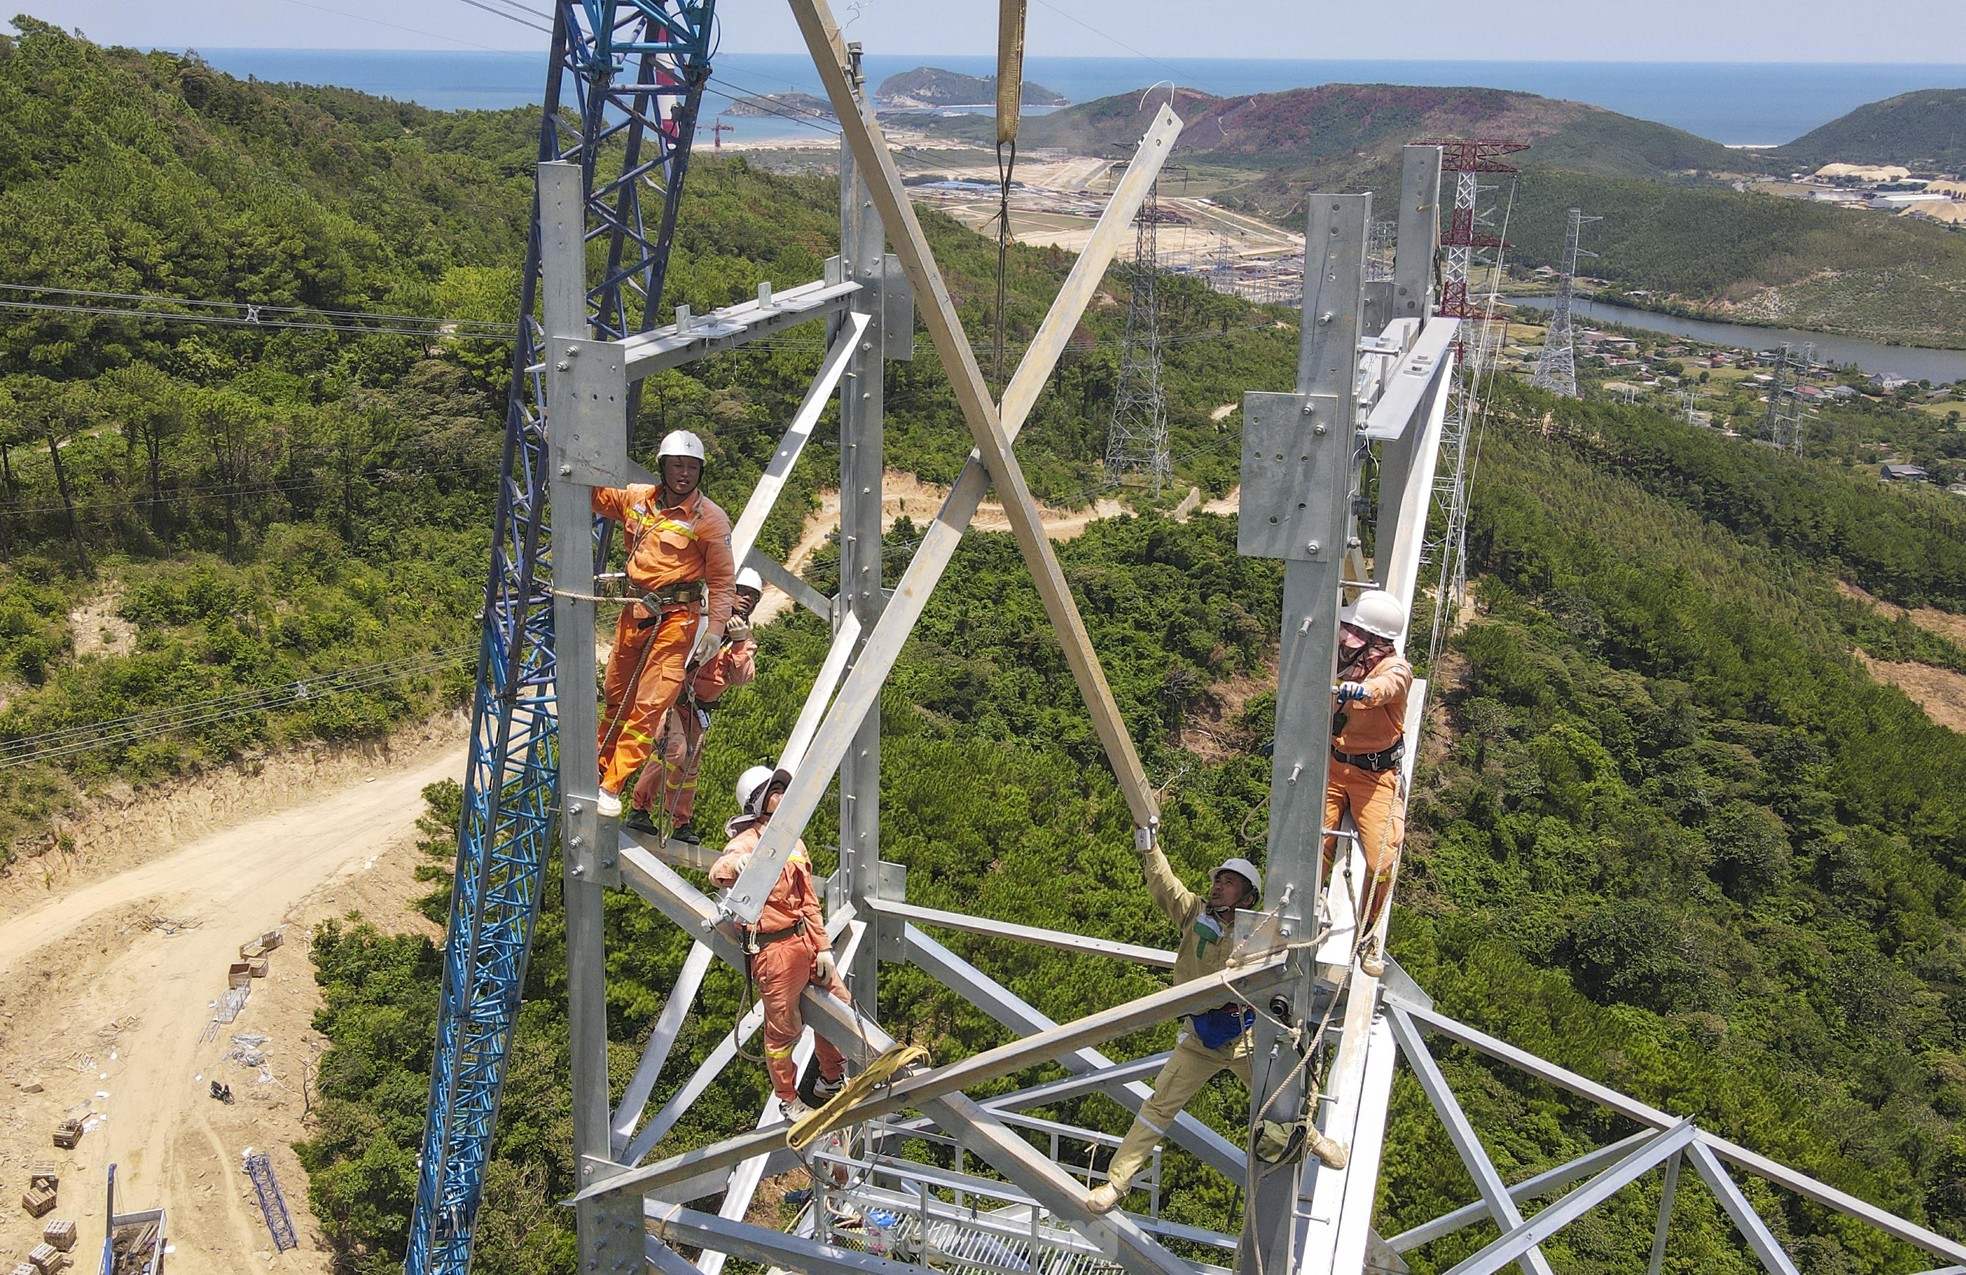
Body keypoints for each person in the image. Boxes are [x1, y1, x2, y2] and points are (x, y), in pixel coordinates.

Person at [1086, 829, 1344, 1215]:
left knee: (1283, 1096)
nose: (1219, 887)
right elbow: (1165, 886)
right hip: (1201, 1037)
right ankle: (1117, 1183)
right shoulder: (1196, 915)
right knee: (1159, 1106)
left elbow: (1298, 953)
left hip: (1246, 1036)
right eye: (1218, 880)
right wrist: (1151, 846)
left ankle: (1312, 1138)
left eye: (1229, 882)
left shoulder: (1262, 931)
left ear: (1248, 896)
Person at [590, 429, 735, 818]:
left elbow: (722, 582)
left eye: (691, 467)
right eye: (677, 465)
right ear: (663, 467)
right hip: (636, 611)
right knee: (616, 697)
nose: (684, 474)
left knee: (650, 705)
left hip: (676, 620)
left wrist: (716, 630)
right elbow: (593, 492)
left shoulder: (710, 520)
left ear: (700, 471)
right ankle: (599, 769)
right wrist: (568, 446)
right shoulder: (638, 500)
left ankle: (612, 784)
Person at [709, 764, 851, 1120]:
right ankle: (788, 1098)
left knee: (840, 1005)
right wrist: (739, 864)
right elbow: (718, 873)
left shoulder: (793, 842)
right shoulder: (746, 843)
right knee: (783, 1030)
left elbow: (808, 901)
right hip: (773, 951)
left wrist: (823, 947)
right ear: (757, 802)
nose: (783, 796)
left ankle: (830, 1079)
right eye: (775, 791)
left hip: (802, 940)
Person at [626, 567, 763, 842]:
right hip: (673, 698)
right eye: (742, 592)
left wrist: (737, 643)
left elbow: (741, 677)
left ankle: (680, 822)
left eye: (753, 596)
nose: (747, 599)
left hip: (697, 708)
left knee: (689, 766)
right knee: (673, 750)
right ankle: (639, 808)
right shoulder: (703, 620)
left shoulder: (743, 641)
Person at [1325, 589, 1413, 978]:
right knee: (1315, 843)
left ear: (1376, 643)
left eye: (1355, 634)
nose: (1345, 641)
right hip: (1331, 765)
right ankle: (1304, 915)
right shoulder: (1339, 662)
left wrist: (1363, 690)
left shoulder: (1392, 669)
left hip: (1373, 776)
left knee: (1382, 857)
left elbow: (1391, 685)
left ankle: (1368, 932)